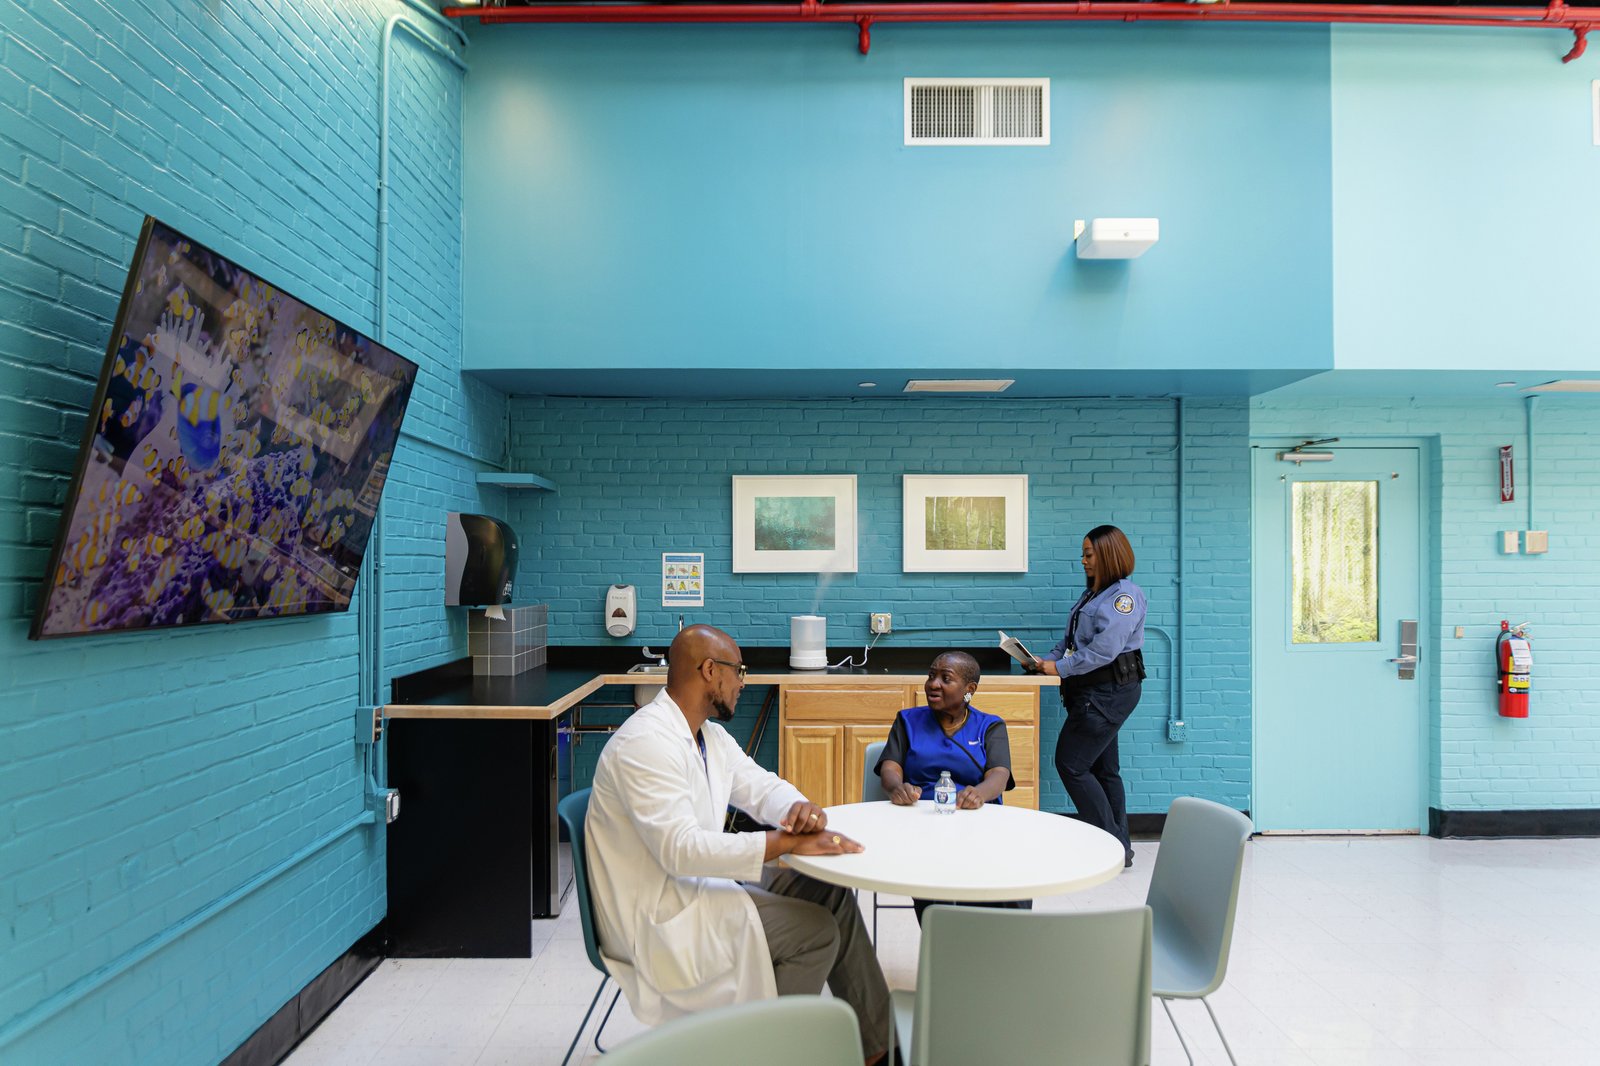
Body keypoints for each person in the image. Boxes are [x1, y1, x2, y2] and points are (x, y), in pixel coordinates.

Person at [586, 624, 894, 1065]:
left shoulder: (706, 735)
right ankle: (765, 1053)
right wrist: (781, 843)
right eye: (739, 671)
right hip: (660, 915)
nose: (743, 682)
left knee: (829, 893)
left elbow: (758, 785)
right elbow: (681, 850)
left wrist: (799, 809)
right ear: (710, 671)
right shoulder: (646, 743)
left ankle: (878, 1047)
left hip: (695, 886)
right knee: (816, 934)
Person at [874, 651, 1029, 922]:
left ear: (970, 690)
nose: (933, 684)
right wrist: (896, 787)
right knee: (935, 880)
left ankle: (1000, 946)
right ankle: (945, 946)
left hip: (977, 821)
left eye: (946, 679)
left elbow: (999, 774)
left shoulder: (989, 725)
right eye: (931, 676)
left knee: (1013, 881)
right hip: (922, 821)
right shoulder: (907, 720)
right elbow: (890, 766)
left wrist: (979, 793)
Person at [1030, 524, 1146, 868]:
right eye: (1083, 554)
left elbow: (1103, 651)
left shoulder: (1124, 596)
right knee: (1104, 768)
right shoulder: (1093, 595)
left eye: (1089, 554)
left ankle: (1109, 845)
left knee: (1071, 764)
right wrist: (1045, 662)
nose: (1083, 561)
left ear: (1109, 555)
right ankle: (1119, 847)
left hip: (1109, 692)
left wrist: (1060, 670)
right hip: (1093, 691)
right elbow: (1072, 642)